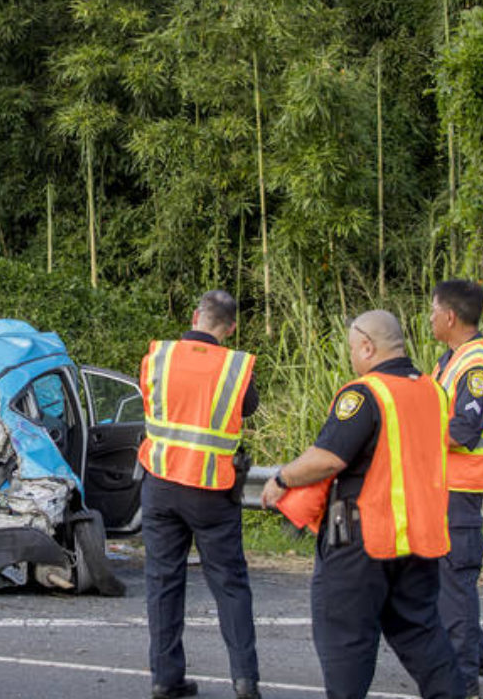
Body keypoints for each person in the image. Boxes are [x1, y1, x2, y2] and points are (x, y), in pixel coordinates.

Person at [260, 310, 463, 699]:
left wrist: (282, 478)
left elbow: (329, 458)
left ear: (367, 347)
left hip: (362, 542)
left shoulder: (365, 393)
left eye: (353, 349)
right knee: (422, 636)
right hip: (417, 540)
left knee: (345, 645)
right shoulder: (433, 392)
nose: (352, 357)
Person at [138, 290, 262, 699]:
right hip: (212, 490)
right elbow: (247, 409)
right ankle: (244, 680)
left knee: (163, 582)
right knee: (230, 585)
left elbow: (151, 403)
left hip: (160, 484)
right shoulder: (236, 367)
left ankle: (164, 678)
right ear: (231, 327)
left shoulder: (158, 357)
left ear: (194, 316)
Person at [429, 281, 483, 698]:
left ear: (450, 317)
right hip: (443, 488)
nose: (429, 319)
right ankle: (479, 656)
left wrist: (412, 429)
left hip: (460, 490)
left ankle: (463, 682)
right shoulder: (452, 360)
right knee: (441, 583)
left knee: (455, 585)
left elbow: (462, 430)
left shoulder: (477, 367)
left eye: (432, 311)